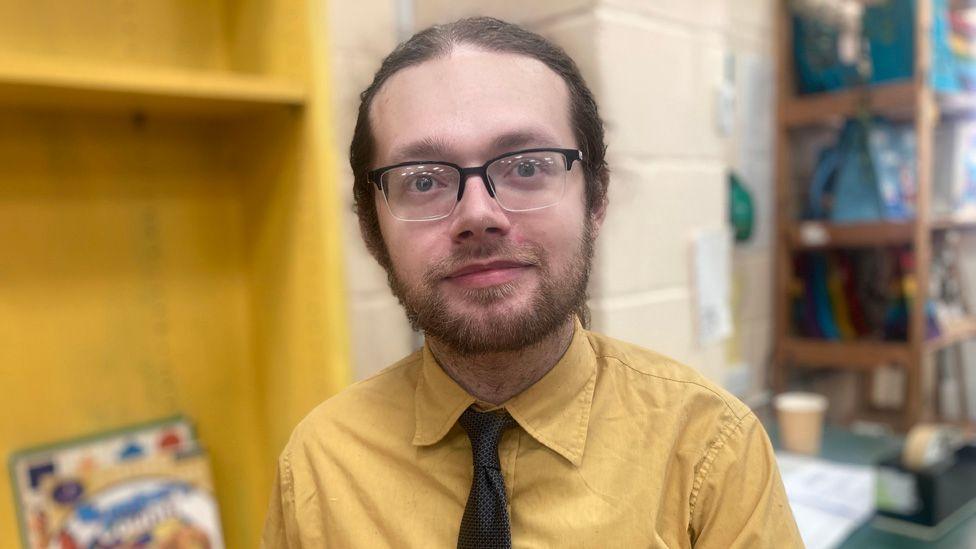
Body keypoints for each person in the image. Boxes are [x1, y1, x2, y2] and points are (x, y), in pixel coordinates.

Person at [262, 16, 802, 548]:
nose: (479, 214)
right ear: (371, 228)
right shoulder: (317, 467)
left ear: (595, 199)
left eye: (525, 168)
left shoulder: (711, 451)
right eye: (422, 180)